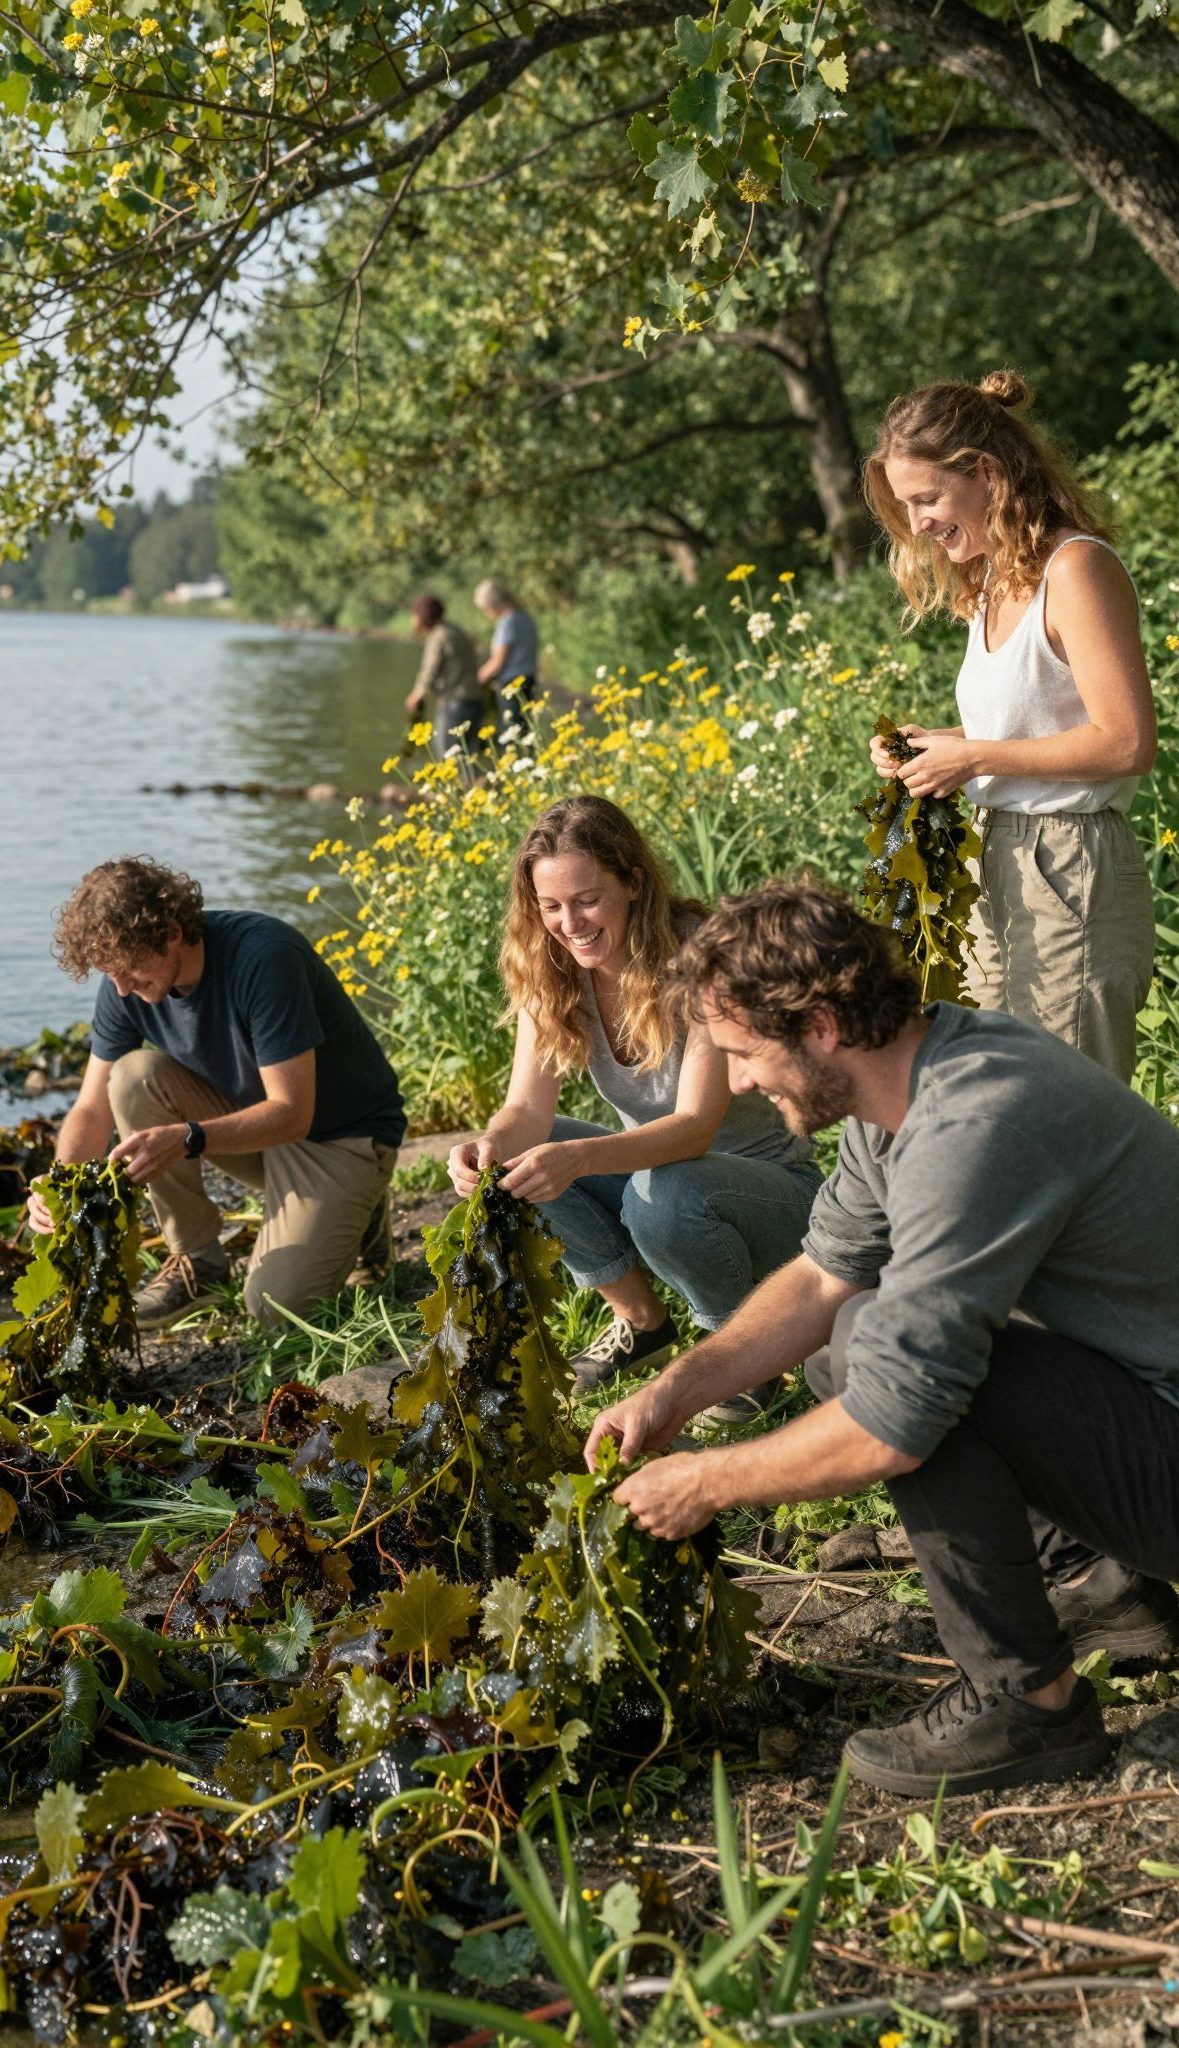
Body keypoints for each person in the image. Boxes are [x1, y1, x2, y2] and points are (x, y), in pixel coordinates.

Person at [587, 878, 1179, 1796]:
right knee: (851, 1329)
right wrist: (678, 1391)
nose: (737, 1081)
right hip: (1143, 1398)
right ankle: (1108, 1582)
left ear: (820, 1026)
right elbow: (824, 1277)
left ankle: (1031, 1702)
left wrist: (705, 1481)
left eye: (744, 1054)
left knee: (899, 1373)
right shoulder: (903, 1083)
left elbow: (891, 1427)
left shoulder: (972, 1123)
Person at [448, 798, 823, 1402]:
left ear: (634, 883)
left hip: (771, 1192)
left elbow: (695, 1128)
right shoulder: (553, 970)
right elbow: (527, 1112)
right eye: (550, 907)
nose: (570, 923)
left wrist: (579, 1160)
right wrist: (490, 1145)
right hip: (660, 1184)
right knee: (516, 1165)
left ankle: (743, 1355)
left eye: (587, 900)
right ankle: (643, 1323)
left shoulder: (701, 960)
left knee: (663, 1197)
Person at [864, 370, 1156, 1081]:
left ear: (986, 474)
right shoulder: (995, 580)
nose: (920, 522)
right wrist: (936, 748)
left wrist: (973, 759)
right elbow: (1034, 728)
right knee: (996, 1092)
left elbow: (1126, 742)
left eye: (928, 498)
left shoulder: (1076, 569)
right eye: (908, 505)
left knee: (1067, 1106)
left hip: (1068, 864)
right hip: (992, 856)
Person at [29, 858, 406, 1329]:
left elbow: (293, 1113)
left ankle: (363, 1215)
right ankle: (198, 1262)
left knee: (274, 1309)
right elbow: (90, 1107)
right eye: (110, 973)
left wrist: (188, 1138)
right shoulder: (126, 988)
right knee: (130, 1076)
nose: (122, 987)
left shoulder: (264, 957)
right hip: (254, 1132)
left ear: (170, 932)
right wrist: (58, 1185)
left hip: (341, 1138)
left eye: (128, 968)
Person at [404, 594, 488, 761]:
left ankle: (457, 786)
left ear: (423, 616)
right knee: (468, 754)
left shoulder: (438, 636)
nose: (412, 621)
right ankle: (472, 784)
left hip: (455, 703)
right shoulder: (455, 630)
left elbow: (430, 669)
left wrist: (416, 695)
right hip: (475, 700)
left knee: (447, 754)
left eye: (414, 616)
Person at [474, 578, 540, 709]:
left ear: (493, 604)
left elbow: (498, 661)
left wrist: (479, 677)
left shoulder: (507, 622)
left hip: (512, 684)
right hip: (529, 678)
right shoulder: (525, 617)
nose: (486, 613)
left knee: (511, 725)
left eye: (485, 609)